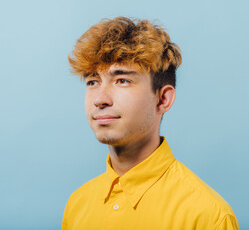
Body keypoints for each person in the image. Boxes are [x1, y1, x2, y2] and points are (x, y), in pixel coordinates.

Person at [62, 16, 239, 230]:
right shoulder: (77, 204)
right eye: (92, 82)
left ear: (163, 99)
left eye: (122, 80)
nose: (100, 99)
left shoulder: (208, 217)